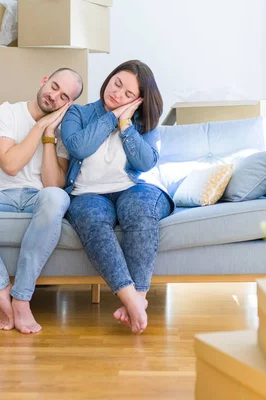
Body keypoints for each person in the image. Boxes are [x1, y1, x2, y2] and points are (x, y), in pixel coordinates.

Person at [0, 68, 84, 334]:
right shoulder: (3, 113)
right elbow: (11, 165)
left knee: (57, 196)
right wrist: (39, 126)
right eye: (54, 86)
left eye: (63, 96)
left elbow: (53, 184)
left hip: (39, 197)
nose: (54, 96)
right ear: (44, 80)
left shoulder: (63, 133)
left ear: (68, 104)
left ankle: (22, 297)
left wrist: (50, 135)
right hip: (1, 196)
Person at [60, 60, 174, 335]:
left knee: (139, 209)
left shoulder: (143, 122)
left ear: (138, 100)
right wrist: (112, 117)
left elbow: (146, 163)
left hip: (134, 188)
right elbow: (79, 148)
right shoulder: (78, 112)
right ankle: (132, 300)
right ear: (109, 77)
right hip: (87, 192)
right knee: (91, 218)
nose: (117, 94)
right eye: (117, 83)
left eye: (127, 94)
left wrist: (125, 125)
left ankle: (140, 297)